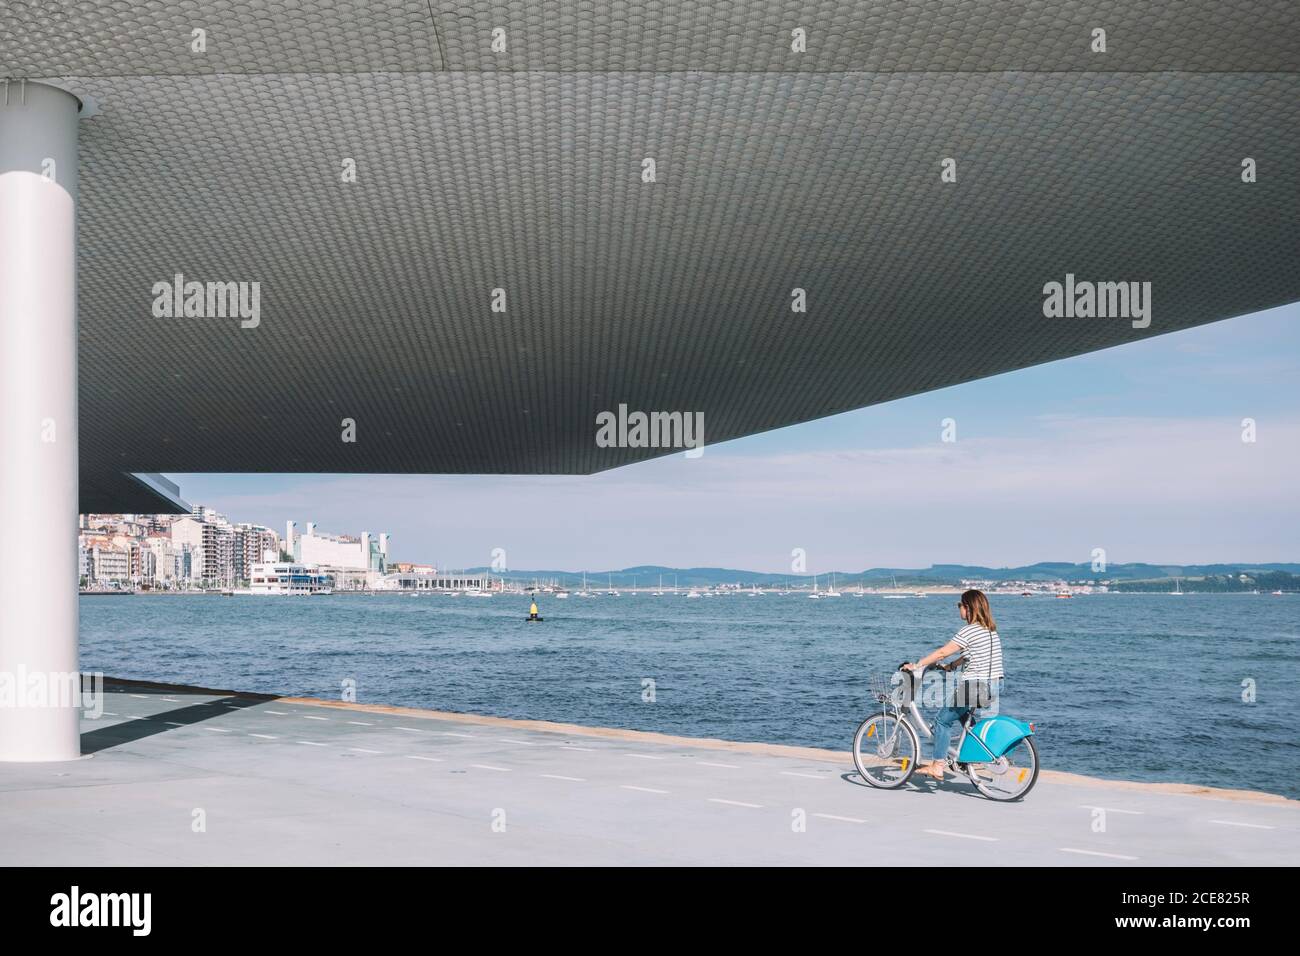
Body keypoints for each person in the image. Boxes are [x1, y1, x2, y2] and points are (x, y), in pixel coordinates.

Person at [903, 588, 1004, 780]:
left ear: (968, 608)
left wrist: (917, 665)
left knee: (942, 720)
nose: (959, 609)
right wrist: (951, 666)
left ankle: (938, 765)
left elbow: (943, 651)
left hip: (975, 686)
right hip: (994, 686)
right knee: (964, 716)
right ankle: (968, 757)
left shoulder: (968, 630)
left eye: (960, 605)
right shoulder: (990, 632)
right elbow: (970, 655)